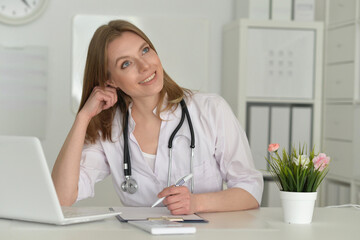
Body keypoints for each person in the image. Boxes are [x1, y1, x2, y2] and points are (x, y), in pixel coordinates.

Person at [51, 19, 263, 215]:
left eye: (145, 50)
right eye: (126, 63)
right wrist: (83, 118)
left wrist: (197, 203)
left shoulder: (211, 110)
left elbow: (250, 190)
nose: (145, 66)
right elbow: (62, 197)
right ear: (110, 81)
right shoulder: (109, 131)